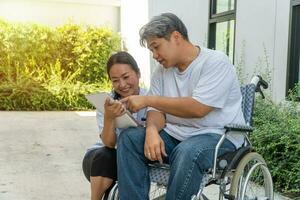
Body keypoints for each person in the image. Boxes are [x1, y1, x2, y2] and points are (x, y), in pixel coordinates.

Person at [117, 13, 246, 200]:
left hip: (217, 136)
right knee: (130, 139)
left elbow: (198, 108)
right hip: (175, 135)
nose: (155, 56)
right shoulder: (161, 72)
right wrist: (152, 130)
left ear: (176, 37)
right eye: (151, 50)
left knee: (187, 151)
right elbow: (156, 111)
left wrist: (147, 100)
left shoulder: (216, 62)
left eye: (156, 47)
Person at [82, 51, 147, 200]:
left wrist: (134, 123)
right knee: (107, 155)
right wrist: (109, 117)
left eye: (126, 77)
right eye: (115, 80)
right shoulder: (107, 102)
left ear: (138, 74)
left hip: (134, 159)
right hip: (100, 159)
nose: (122, 85)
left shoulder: (150, 98)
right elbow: (109, 143)